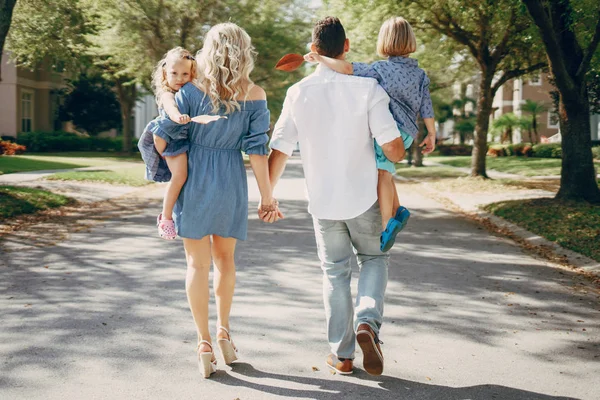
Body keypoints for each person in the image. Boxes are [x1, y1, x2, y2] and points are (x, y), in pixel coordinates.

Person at [268, 16, 406, 376]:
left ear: (313, 50)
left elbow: (280, 149)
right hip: (365, 199)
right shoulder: (368, 88)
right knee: (374, 261)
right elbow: (393, 149)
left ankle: (342, 355)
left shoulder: (297, 93)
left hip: (324, 204)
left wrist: (268, 196)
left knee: (335, 274)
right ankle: (367, 324)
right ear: (346, 47)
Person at [150, 23, 282, 378]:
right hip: (230, 180)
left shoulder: (189, 90)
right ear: (245, 51)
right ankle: (224, 331)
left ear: (208, 50)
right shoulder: (255, 93)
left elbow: (163, 136)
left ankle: (204, 342)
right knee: (226, 262)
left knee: (197, 265)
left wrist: (163, 152)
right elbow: (257, 149)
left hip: (194, 179)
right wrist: (267, 197)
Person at [304, 16, 436, 251]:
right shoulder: (420, 74)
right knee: (388, 170)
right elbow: (427, 105)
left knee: (382, 174)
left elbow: (346, 68)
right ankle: (399, 211)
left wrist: (320, 59)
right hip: (409, 132)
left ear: (384, 42)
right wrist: (431, 133)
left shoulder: (380, 69)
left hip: (389, 131)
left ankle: (387, 224)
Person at [138, 47, 223, 240]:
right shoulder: (167, 93)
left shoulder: (190, 91)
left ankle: (182, 212)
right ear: (165, 74)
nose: (179, 78)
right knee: (179, 176)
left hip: (179, 136)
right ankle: (165, 218)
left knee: (184, 176)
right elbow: (170, 107)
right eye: (174, 73)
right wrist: (178, 116)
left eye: (185, 74)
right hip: (168, 136)